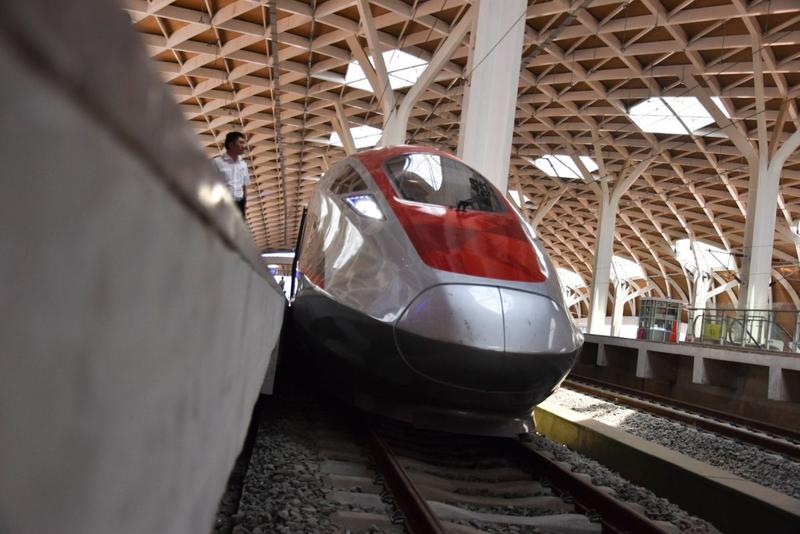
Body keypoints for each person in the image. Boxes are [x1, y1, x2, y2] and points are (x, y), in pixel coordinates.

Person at [212, 132, 250, 218]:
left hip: (239, 205)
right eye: (241, 142)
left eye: (244, 143)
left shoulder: (243, 165)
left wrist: (243, 206)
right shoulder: (216, 162)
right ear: (231, 144)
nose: (244, 146)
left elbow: (244, 187)